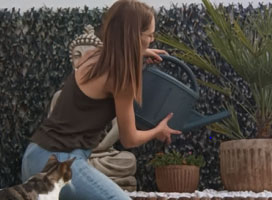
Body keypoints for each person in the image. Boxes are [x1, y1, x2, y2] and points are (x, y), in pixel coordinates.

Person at [21, 0, 181, 200]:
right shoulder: (120, 77)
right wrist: (159, 130)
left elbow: (119, 48)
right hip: (58, 162)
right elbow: (129, 138)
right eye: (149, 35)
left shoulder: (92, 57)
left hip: (34, 155)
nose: (152, 39)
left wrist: (140, 52)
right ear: (134, 36)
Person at [49, 24, 138, 191]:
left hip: (102, 154)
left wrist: (102, 146)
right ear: (72, 60)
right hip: (72, 154)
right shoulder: (61, 96)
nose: (83, 60)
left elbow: (120, 126)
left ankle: (84, 173)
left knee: (127, 160)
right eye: (78, 55)